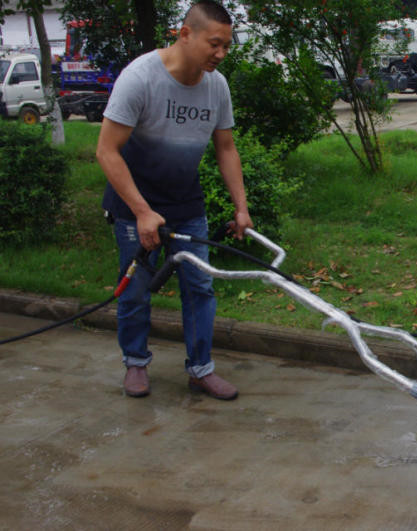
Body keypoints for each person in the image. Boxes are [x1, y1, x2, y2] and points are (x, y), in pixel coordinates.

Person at [96, 0, 251, 400]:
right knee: (135, 288)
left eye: (226, 46)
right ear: (185, 34)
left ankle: (201, 369)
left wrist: (241, 207)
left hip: (186, 205)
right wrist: (143, 212)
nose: (220, 54)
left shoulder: (216, 85)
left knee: (200, 288)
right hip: (136, 206)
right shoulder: (141, 78)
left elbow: (226, 147)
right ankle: (135, 363)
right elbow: (107, 151)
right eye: (214, 44)